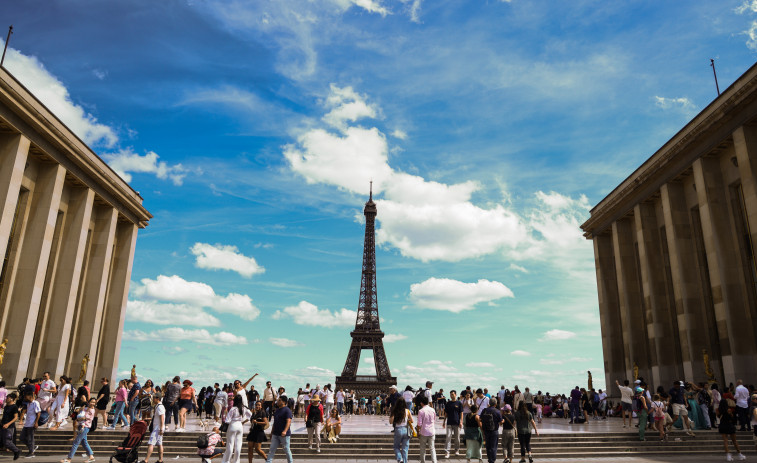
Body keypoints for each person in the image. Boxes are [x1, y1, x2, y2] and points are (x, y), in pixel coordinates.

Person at [61, 397, 97, 463]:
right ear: (88, 402)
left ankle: (69, 459)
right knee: (84, 442)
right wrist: (81, 409)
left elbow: (85, 418)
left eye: (94, 402)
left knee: (76, 442)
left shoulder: (92, 410)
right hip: (81, 426)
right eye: (92, 402)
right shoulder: (86, 408)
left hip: (85, 427)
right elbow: (77, 410)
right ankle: (91, 456)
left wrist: (80, 417)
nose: (93, 403)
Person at [717, 393, 746, 461]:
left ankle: (728, 455)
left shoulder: (718, 410)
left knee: (725, 441)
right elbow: (732, 418)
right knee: (734, 441)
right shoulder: (729, 410)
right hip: (729, 425)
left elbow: (718, 416)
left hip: (722, 425)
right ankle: (739, 454)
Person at [223, 395, 251, 463]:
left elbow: (227, 420)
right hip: (240, 426)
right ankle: (236, 461)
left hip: (233, 425)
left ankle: (227, 461)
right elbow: (250, 415)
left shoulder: (233, 408)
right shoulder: (244, 408)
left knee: (230, 444)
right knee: (238, 444)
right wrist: (244, 421)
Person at [266, 396, 293, 463]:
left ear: (284, 402)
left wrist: (285, 431)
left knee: (286, 449)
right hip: (275, 434)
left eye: (279, 400)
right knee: (271, 450)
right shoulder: (277, 410)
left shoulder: (287, 410)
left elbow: (288, 421)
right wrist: (272, 432)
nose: (277, 401)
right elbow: (275, 422)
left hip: (284, 435)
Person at [142, 393, 165, 463]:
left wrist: (161, 428)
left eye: (154, 398)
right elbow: (157, 418)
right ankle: (160, 460)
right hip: (158, 427)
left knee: (151, 443)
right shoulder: (158, 406)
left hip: (157, 428)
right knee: (159, 444)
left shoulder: (160, 407)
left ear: (157, 398)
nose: (153, 399)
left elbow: (162, 418)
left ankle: (146, 460)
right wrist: (148, 419)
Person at [480, 398, 503, 463]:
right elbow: (500, 422)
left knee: (488, 445)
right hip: (494, 430)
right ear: (495, 404)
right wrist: (502, 421)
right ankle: (492, 460)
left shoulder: (484, 410)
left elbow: (480, 419)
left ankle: (490, 458)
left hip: (486, 430)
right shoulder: (497, 411)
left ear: (489, 403)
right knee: (494, 446)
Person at [417, 394, 437, 463]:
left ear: (421, 403)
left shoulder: (421, 411)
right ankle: (434, 461)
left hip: (423, 431)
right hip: (431, 431)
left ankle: (423, 461)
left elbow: (419, 424)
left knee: (422, 448)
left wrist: (418, 432)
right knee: (432, 448)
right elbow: (434, 420)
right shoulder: (433, 410)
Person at [443, 390, 463, 458]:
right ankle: (447, 451)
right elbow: (446, 413)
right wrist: (444, 421)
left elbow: (461, 413)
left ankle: (457, 450)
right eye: (451, 394)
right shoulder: (448, 403)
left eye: (453, 394)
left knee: (457, 438)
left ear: (455, 395)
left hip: (457, 422)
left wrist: (461, 421)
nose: (451, 395)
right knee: (448, 437)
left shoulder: (459, 403)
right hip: (449, 423)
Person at [20, 391, 39, 458]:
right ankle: (32, 447)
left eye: (26, 396)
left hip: (32, 424)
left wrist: (36, 422)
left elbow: (38, 413)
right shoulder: (28, 404)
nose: (25, 398)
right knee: (21, 437)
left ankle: (31, 453)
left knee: (30, 438)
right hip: (27, 423)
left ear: (30, 397)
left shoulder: (35, 403)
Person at [2, 392, 20, 460]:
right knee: (4, 441)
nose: (6, 399)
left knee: (7, 441)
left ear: (12, 399)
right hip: (3, 425)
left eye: (8, 398)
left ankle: (16, 451)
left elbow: (15, 417)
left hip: (9, 427)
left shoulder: (14, 407)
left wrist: (8, 424)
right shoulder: (6, 406)